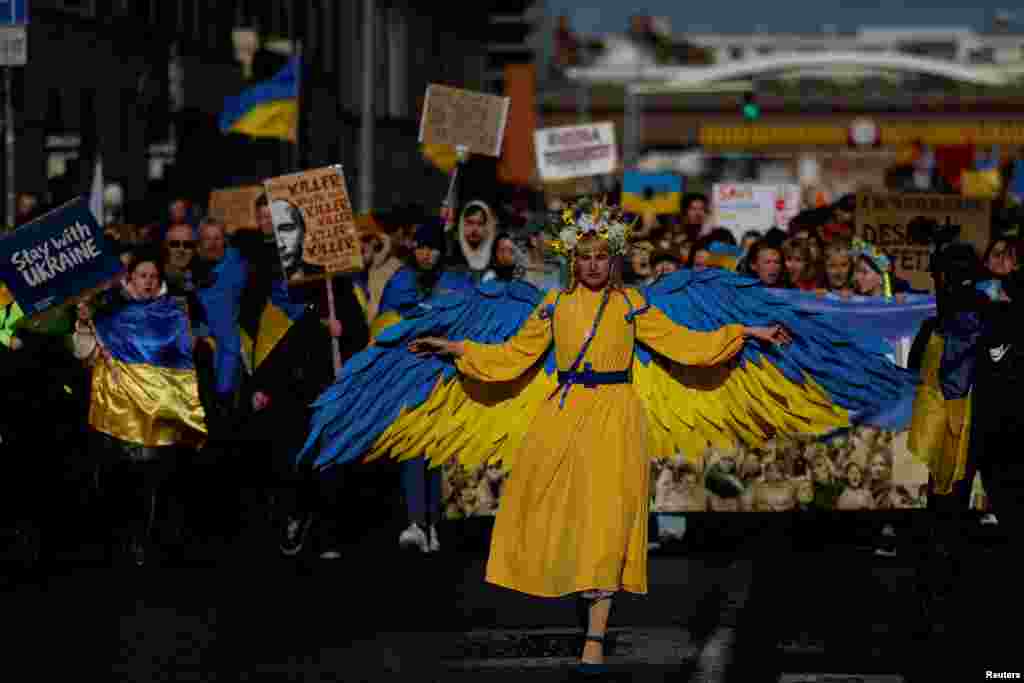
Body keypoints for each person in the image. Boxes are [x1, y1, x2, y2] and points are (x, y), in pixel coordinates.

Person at [407, 201, 790, 672]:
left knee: (608, 519)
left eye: (601, 256)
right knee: (565, 517)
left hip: (616, 416)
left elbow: (684, 342)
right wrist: (455, 347)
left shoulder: (631, 304)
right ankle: (583, 602)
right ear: (573, 260)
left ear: (614, 259)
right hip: (562, 417)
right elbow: (513, 355)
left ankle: (595, 637)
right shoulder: (554, 304)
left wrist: (746, 331)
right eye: (584, 257)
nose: (592, 265)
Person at [269, 199, 325, 282]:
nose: (280, 245)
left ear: (303, 233)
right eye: (270, 234)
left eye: (287, 228)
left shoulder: (325, 274)